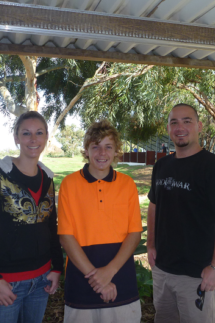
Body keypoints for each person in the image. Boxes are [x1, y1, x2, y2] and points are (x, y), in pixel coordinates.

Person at [0, 111, 63, 323]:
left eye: (39, 133)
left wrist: (57, 267)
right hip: (6, 283)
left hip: (41, 281)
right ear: (16, 138)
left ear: (47, 137)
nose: (33, 139)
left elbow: (51, 228)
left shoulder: (48, 178)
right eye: (26, 133)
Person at [147, 103, 215, 323]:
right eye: (174, 122)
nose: (180, 127)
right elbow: (153, 206)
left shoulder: (214, 168)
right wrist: (150, 245)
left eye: (187, 121)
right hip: (163, 271)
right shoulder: (162, 166)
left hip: (198, 275)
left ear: (199, 126)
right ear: (168, 128)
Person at [58, 119, 143, 323]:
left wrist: (109, 272)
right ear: (86, 151)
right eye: (95, 146)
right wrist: (98, 279)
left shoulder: (127, 184)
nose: (102, 153)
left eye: (108, 147)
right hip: (81, 280)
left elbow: (135, 233)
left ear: (116, 151)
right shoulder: (69, 185)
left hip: (121, 278)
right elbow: (65, 236)